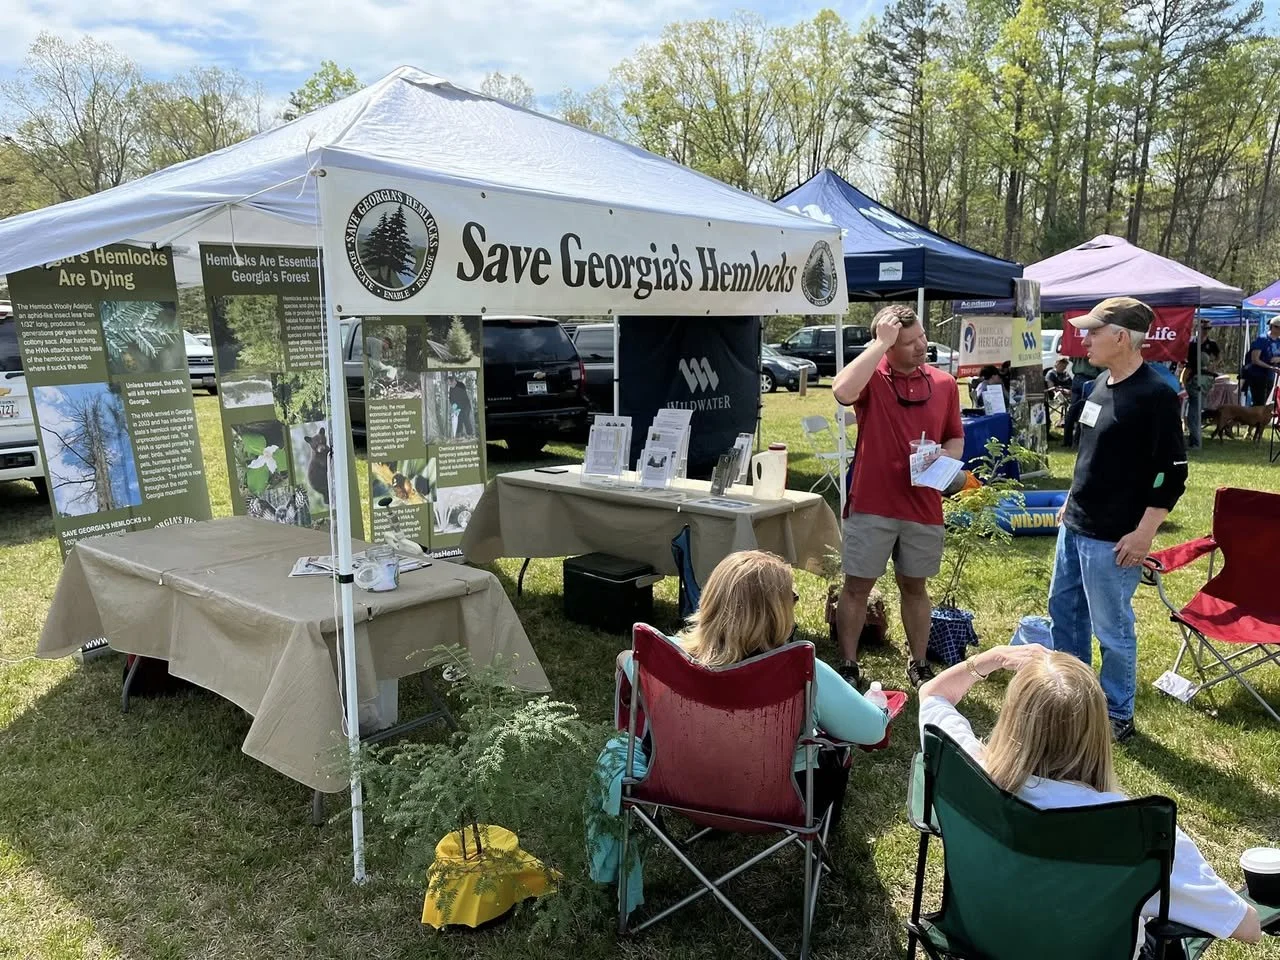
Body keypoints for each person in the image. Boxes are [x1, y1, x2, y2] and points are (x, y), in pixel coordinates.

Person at [917, 645, 1262, 957]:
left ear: (1012, 719)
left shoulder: (966, 769)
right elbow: (1247, 928)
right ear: (1097, 730)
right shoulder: (1137, 830)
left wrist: (990, 659)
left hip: (986, 943)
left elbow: (933, 693)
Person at [616, 550, 888, 826]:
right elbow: (872, 731)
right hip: (779, 799)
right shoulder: (806, 673)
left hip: (678, 784)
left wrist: (624, 658)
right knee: (836, 752)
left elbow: (628, 660)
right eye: (792, 598)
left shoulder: (666, 657)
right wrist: (878, 704)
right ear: (776, 613)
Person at [1049, 297, 1187, 743]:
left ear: (1121, 337)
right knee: (1065, 616)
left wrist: (1145, 532)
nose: (1084, 339)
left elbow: (1173, 475)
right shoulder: (1098, 386)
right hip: (1075, 528)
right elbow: (1090, 454)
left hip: (1115, 538)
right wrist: (1071, 499)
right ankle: (1073, 700)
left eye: (1093, 332)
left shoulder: (1157, 395)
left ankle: (1116, 714)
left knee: (1112, 629)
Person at [832, 304, 965, 690]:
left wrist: (946, 456)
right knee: (857, 587)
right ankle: (849, 663)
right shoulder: (872, 378)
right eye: (907, 342)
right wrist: (879, 344)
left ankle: (919, 662)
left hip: (922, 505)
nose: (921, 346)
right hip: (872, 503)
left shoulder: (943, 384)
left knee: (915, 586)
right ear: (887, 346)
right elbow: (841, 391)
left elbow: (955, 436)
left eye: (921, 337)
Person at [1181, 320, 1220, 449]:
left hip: (1204, 380)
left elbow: (1218, 357)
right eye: (1204, 328)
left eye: (1208, 329)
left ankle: (1195, 441)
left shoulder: (1212, 344)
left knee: (1195, 411)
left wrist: (1213, 365)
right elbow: (1184, 360)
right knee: (1193, 410)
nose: (1206, 331)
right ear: (1198, 328)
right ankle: (1193, 439)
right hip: (1190, 377)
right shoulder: (1191, 343)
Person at [1061, 353, 1103, 448]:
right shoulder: (1093, 348)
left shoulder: (1077, 346)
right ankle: (1078, 441)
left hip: (1077, 378)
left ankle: (1067, 441)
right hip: (1090, 379)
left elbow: (1071, 359)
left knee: (1072, 410)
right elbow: (1101, 366)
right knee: (1086, 411)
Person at [1243, 317, 1280, 406]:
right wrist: (1271, 367)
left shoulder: (1279, 341)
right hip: (1257, 375)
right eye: (1277, 327)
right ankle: (1253, 419)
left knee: (1266, 403)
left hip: (1270, 376)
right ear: (1273, 327)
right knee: (1259, 403)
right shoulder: (1262, 339)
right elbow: (1255, 359)